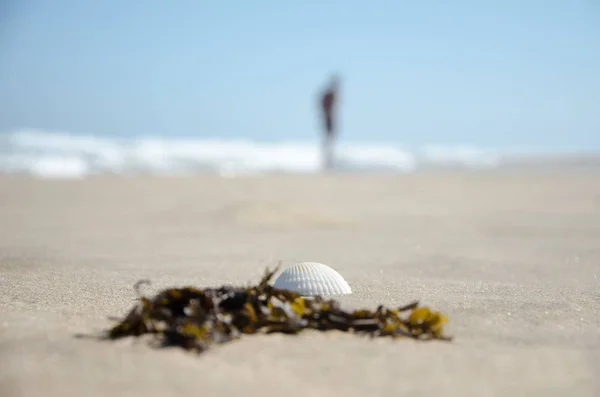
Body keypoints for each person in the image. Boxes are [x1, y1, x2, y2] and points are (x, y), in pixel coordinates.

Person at [319, 74, 340, 170]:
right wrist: (328, 114)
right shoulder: (330, 94)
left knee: (329, 140)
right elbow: (324, 105)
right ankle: (327, 162)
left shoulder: (331, 94)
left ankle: (329, 162)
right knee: (329, 140)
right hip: (328, 118)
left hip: (329, 118)